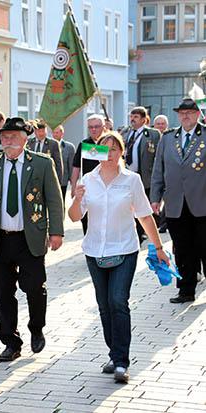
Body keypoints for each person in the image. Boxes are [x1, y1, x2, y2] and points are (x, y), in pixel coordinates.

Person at [68, 131, 170, 384]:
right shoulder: (88, 180)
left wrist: (158, 247)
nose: (109, 153)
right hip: (94, 251)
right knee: (104, 305)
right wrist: (76, 199)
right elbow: (73, 216)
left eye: (114, 149)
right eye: (104, 149)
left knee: (118, 301)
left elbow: (145, 216)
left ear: (121, 152)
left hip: (124, 249)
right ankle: (114, 354)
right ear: (97, 152)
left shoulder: (131, 180)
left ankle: (122, 362)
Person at [0, 117, 64, 362]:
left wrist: (56, 231)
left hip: (29, 237)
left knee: (34, 288)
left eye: (12, 136)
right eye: (3, 137)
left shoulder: (42, 164)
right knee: (3, 293)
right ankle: (11, 341)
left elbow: (54, 200)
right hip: (0, 238)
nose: (7, 141)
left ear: (25, 139)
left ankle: (36, 328)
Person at [151, 97, 206, 304]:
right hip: (175, 204)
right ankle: (186, 290)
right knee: (182, 249)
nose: (185, 116)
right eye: (182, 112)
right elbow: (159, 170)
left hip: (202, 203)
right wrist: (155, 198)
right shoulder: (168, 138)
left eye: (190, 112)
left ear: (198, 114)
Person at [121, 106, 161, 241]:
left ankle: (144, 231)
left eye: (136, 117)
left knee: (143, 205)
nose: (132, 119)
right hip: (127, 175)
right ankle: (135, 231)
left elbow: (158, 155)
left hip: (145, 176)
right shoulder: (125, 133)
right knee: (129, 204)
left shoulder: (152, 134)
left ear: (144, 119)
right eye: (131, 116)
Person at [70, 114, 106, 235]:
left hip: (106, 186)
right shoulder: (84, 144)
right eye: (90, 127)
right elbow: (76, 167)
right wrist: (74, 186)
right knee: (86, 218)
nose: (93, 129)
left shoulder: (110, 143)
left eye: (96, 126)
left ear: (103, 127)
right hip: (89, 186)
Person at [27, 119, 63, 185]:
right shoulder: (28, 143)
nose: (41, 133)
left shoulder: (53, 144)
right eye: (39, 131)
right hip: (31, 180)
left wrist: (57, 183)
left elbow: (58, 165)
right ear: (35, 131)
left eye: (43, 131)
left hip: (47, 180)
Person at [52, 125, 75, 201]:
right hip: (49, 179)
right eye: (53, 132)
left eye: (57, 132)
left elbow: (71, 166)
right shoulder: (48, 145)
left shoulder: (69, 147)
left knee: (61, 202)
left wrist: (73, 183)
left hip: (63, 181)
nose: (55, 135)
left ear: (62, 134)